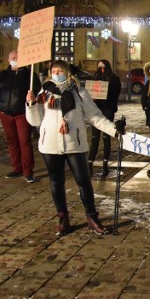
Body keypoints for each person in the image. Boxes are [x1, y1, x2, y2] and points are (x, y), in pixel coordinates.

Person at [25, 60, 126, 236]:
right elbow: (35, 121)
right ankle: (63, 219)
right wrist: (32, 104)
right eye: (53, 70)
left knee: (84, 182)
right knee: (56, 182)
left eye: (60, 69)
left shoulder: (79, 91)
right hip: (50, 144)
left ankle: (92, 218)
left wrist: (114, 130)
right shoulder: (44, 92)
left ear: (67, 72)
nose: (56, 72)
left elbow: (95, 116)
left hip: (75, 144)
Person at [0, 50, 41, 183]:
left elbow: (37, 90)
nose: (16, 60)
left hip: (22, 113)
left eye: (18, 57)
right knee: (12, 141)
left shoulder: (29, 75)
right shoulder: (3, 75)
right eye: (13, 58)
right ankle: (17, 168)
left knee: (24, 141)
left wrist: (33, 98)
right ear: (8, 60)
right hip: (5, 113)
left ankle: (28, 171)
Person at [87, 59, 122, 177]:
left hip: (108, 109)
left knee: (106, 137)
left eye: (103, 66)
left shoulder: (114, 79)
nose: (101, 68)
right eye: (99, 66)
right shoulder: (95, 77)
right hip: (96, 110)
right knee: (95, 138)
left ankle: (105, 163)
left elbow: (115, 92)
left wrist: (106, 86)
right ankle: (90, 163)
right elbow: (90, 91)